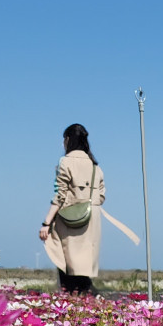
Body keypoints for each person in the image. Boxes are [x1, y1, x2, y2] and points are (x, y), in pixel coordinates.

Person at [40, 124, 105, 294]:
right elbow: (102, 195)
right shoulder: (95, 166)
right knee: (83, 262)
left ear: (68, 140)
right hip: (92, 217)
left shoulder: (65, 162)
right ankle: (87, 297)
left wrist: (46, 222)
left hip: (70, 216)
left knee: (65, 258)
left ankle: (71, 300)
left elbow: (60, 195)